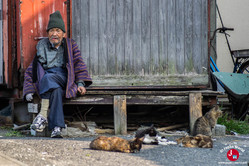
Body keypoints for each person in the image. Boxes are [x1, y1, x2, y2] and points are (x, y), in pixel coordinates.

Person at [23, 11, 92, 138]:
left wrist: (81, 83)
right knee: (55, 91)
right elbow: (32, 69)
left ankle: (43, 114)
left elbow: (78, 63)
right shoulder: (42, 45)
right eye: (51, 30)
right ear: (47, 33)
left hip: (65, 78)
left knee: (49, 78)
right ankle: (56, 128)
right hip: (49, 80)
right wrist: (28, 90)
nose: (54, 34)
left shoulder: (70, 45)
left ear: (63, 34)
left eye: (58, 30)